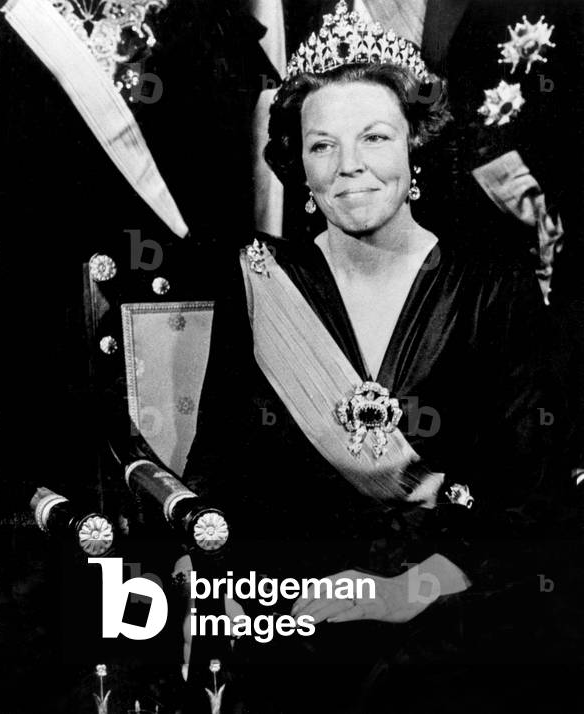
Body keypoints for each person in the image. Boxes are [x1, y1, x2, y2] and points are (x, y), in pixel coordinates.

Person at [183, 3, 565, 711]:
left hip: (450, 609)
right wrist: (212, 587)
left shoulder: (490, 284)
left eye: (375, 137)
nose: (349, 166)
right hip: (293, 612)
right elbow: (218, 467)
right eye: (321, 145)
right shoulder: (259, 279)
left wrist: (402, 593)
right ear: (295, 162)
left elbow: (529, 500)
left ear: (414, 147)